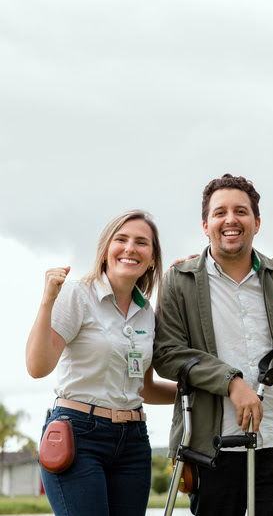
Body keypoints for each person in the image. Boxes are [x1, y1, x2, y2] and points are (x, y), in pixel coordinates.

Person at [152, 174, 273, 516]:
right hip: (212, 448)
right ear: (206, 225)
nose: (230, 220)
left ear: (257, 222)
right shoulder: (179, 281)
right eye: (220, 213)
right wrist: (231, 382)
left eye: (241, 211)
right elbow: (166, 354)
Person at [26, 210, 176, 516]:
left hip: (133, 442)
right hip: (78, 435)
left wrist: (198, 392)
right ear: (105, 251)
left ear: (152, 259)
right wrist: (47, 302)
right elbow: (37, 367)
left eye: (142, 243)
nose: (131, 248)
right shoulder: (78, 294)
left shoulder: (147, 311)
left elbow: (144, 389)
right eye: (121, 239)